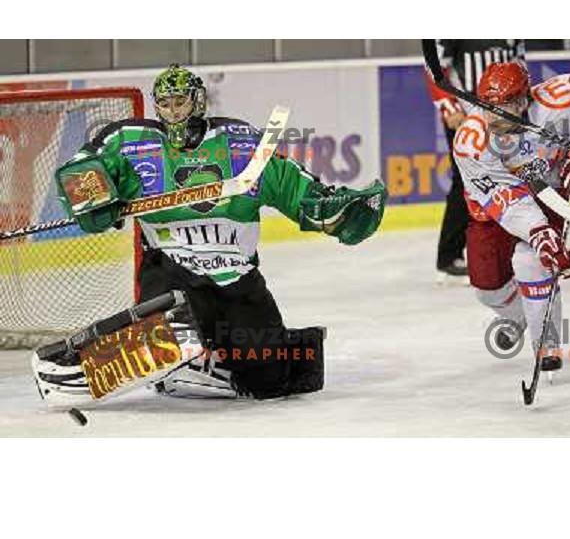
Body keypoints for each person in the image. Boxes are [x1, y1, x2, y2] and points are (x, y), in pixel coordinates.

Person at [51, 64, 387, 400]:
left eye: (179, 102)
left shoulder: (240, 142)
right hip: (172, 274)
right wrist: (93, 196)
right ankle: (174, 356)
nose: (172, 112)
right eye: (165, 104)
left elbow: (292, 185)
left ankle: (209, 361)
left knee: (270, 379)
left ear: (197, 102)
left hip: (235, 278)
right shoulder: (130, 141)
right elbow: (83, 166)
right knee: (169, 334)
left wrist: (331, 209)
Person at [454, 62, 570, 371]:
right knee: (488, 289)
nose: (494, 115)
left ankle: (546, 343)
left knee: (533, 262)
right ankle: (521, 318)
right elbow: (507, 200)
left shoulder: (563, 99)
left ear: (523, 100)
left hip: (549, 191)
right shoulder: (471, 144)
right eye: (488, 105)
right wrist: (538, 230)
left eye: (504, 105)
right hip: (494, 208)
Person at [425, 40, 527, 283]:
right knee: (466, 182)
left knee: (511, 176)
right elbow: (434, 69)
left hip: (504, 114)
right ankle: (448, 257)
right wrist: (449, 109)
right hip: (467, 114)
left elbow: (521, 65)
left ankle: (510, 251)